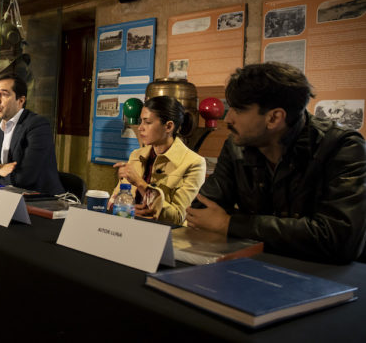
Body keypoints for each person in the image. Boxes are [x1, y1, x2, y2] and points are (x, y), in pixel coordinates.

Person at [185, 62, 366, 264]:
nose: (228, 119)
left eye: (238, 110)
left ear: (274, 118)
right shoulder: (237, 145)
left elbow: (338, 239)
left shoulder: (342, 146)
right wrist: (298, 231)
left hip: (328, 282)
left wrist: (229, 223)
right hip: (257, 268)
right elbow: (201, 212)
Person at [110, 96, 206, 224]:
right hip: (130, 229)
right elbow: (115, 201)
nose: (140, 128)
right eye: (141, 121)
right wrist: (126, 209)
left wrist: (140, 183)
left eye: (147, 122)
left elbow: (178, 217)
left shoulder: (194, 163)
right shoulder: (136, 155)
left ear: (168, 126)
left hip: (166, 238)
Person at [0, 73, 64, 195]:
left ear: (21, 100)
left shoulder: (37, 125)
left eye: (4, 94)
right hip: (6, 196)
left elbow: (24, 178)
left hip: (41, 201)